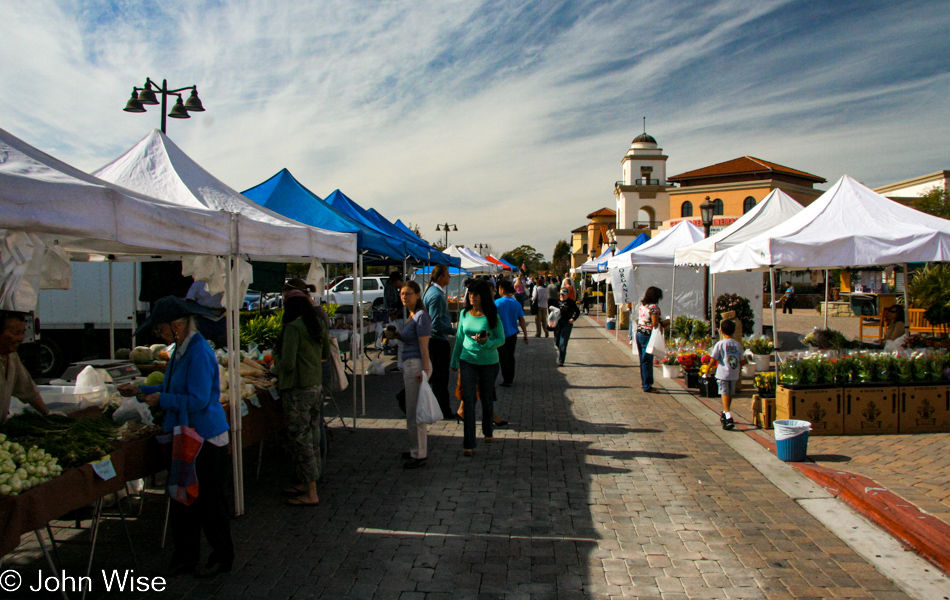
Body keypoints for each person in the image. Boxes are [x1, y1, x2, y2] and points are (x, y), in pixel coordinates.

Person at [118, 296, 233, 577]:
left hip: (204, 436)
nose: (159, 335)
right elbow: (171, 385)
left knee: (209, 501)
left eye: (161, 329)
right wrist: (142, 391)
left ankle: (222, 556)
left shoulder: (198, 352)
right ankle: (185, 557)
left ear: (177, 326)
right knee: (184, 499)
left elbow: (198, 399)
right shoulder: (181, 349)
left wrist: (163, 400)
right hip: (185, 434)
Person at [274, 294, 331, 506]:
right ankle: (309, 483)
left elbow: (287, 364)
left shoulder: (293, 329)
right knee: (314, 435)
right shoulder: (316, 323)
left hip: (298, 389)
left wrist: (275, 360)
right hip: (315, 386)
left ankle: (311, 490)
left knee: (301, 439)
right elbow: (325, 352)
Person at [451, 280, 506, 456]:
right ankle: (469, 443)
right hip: (467, 360)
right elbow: (459, 338)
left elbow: (501, 339)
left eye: (475, 294)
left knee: (486, 396)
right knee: (468, 399)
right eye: (470, 294)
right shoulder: (464, 314)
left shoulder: (492, 315)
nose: (471, 297)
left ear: (482, 296)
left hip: (489, 362)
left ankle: (488, 430)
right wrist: (454, 361)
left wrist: (487, 342)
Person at [387, 281, 432, 469]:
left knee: (415, 411)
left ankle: (420, 452)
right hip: (410, 363)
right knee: (411, 410)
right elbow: (409, 339)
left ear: (418, 295)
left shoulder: (421, 317)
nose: (404, 297)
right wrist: (397, 335)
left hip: (416, 364)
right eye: (402, 293)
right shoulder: (412, 316)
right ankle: (415, 448)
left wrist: (426, 368)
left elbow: (423, 345)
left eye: (408, 293)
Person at [0, 311, 50, 424]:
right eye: (15, 333)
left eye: (22, 333)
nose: (20, 338)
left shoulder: (12, 357)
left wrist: (46, 412)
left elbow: (26, 388)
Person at [423, 265, 455, 419]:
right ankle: (443, 409)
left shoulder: (433, 292)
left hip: (435, 341)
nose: (450, 277)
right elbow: (435, 324)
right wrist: (454, 330)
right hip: (437, 342)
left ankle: (438, 407)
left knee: (435, 377)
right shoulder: (436, 295)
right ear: (441, 276)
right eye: (448, 274)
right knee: (440, 378)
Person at [711, 319, 744, 430]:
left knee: (724, 392)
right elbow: (742, 360)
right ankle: (725, 412)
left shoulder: (720, 344)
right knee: (730, 393)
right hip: (734, 373)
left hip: (723, 373)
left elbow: (714, 358)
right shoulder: (737, 345)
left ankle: (728, 416)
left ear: (721, 330)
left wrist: (707, 370)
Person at [495, 280, 529, 386]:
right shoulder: (516, 303)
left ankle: (507, 379)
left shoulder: (497, 303)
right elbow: (522, 320)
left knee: (503, 357)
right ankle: (510, 377)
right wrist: (525, 334)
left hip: (501, 334)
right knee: (510, 356)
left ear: (502, 289)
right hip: (512, 334)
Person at [635, 286, 664, 394]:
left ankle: (644, 383)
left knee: (642, 360)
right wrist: (664, 323)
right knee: (647, 361)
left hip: (639, 333)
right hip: (648, 335)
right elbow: (655, 323)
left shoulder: (643, 306)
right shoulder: (654, 308)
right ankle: (647, 385)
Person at [552, 288, 580, 367]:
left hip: (567, 323)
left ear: (567, 295)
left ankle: (561, 360)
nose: (562, 296)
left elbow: (577, 311)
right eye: (561, 295)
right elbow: (552, 312)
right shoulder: (556, 302)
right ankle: (561, 350)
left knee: (563, 342)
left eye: (564, 295)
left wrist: (573, 319)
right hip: (557, 323)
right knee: (557, 341)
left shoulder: (571, 302)